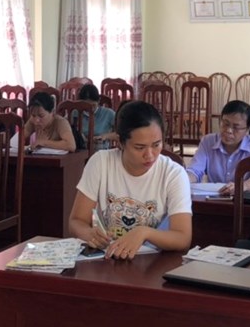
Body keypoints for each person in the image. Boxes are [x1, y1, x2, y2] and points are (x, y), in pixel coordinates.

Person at [68, 101, 191, 259]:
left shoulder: (173, 173)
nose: (150, 155)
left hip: (152, 263)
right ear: (120, 142)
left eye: (156, 145)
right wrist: (89, 234)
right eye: (139, 147)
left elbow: (183, 238)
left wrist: (144, 233)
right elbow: (76, 221)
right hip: (107, 259)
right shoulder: (100, 163)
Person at [186, 100, 250, 196]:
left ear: (248, 129)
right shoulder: (208, 141)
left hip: (244, 199)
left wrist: (243, 186)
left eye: (236, 127)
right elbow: (195, 170)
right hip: (215, 198)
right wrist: (185, 179)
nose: (229, 130)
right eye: (225, 124)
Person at [77, 83, 116, 150]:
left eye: (93, 105)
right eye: (85, 105)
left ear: (98, 101)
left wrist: (106, 136)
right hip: (80, 150)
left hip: (101, 150)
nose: (89, 109)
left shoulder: (108, 113)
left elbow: (122, 133)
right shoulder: (75, 112)